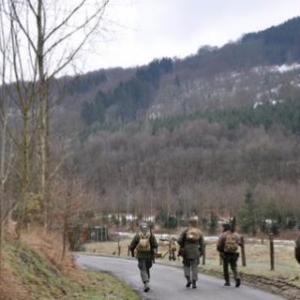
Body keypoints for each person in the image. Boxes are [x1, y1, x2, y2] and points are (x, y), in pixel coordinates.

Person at [129, 222, 158, 292]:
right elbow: (155, 245)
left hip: (141, 255)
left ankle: (146, 282)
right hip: (149, 256)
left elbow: (132, 245)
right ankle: (147, 281)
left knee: (143, 269)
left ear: (140, 228)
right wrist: (154, 251)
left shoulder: (138, 236)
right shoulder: (151, 235)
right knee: (147, 268)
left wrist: (132, 251)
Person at [177, 216, 204, 289]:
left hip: (186, 251)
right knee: (194, 267)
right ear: (196, 223)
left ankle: (188, 279)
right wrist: (201, 252)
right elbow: (202, 244)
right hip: (195, 251)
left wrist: (183, 245)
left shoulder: (186, 231)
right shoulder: (199, 232)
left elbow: (179, 241)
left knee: (186, 266)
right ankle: (194, 281)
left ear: (190, 223)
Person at [217, 223, 241, 287]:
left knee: (226, 268)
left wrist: (220, 251)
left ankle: (227, 282)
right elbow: (240, 243)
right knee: (234, 267)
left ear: (225, 228)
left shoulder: (223, 235)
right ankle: (237, 277)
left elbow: (219, 244)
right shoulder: (236, 234)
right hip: (234, 253)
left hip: (225, 253)